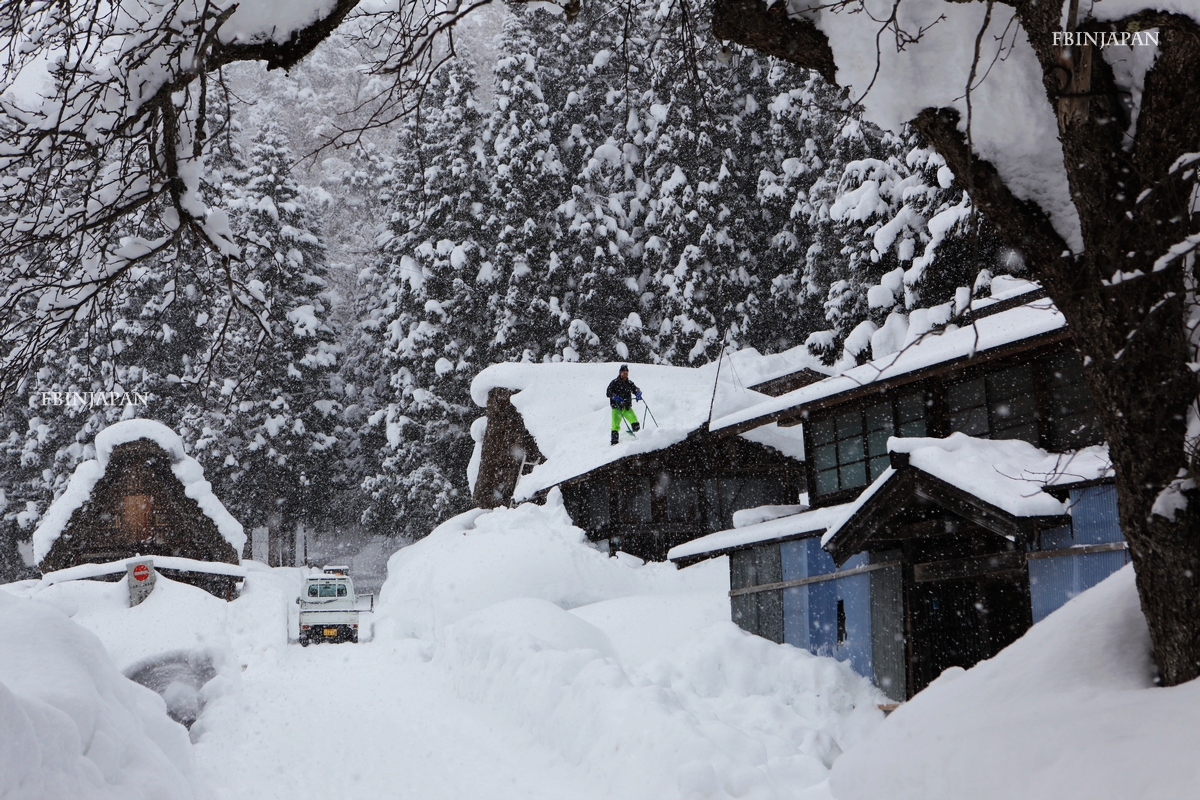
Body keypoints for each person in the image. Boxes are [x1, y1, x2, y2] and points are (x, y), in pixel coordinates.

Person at [606, 364, 642, 445]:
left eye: (626, 373)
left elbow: (635, 389)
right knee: (615, 425)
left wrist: (638, 393)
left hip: (627, 407)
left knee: (634, 420)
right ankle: (614, 442)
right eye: (623, 373)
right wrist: (614, 397)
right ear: (620, 373)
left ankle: (638, 436)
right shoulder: (614, 383)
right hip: (617, 408)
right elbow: (608, 392)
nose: (625, 374)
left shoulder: (629, 383)